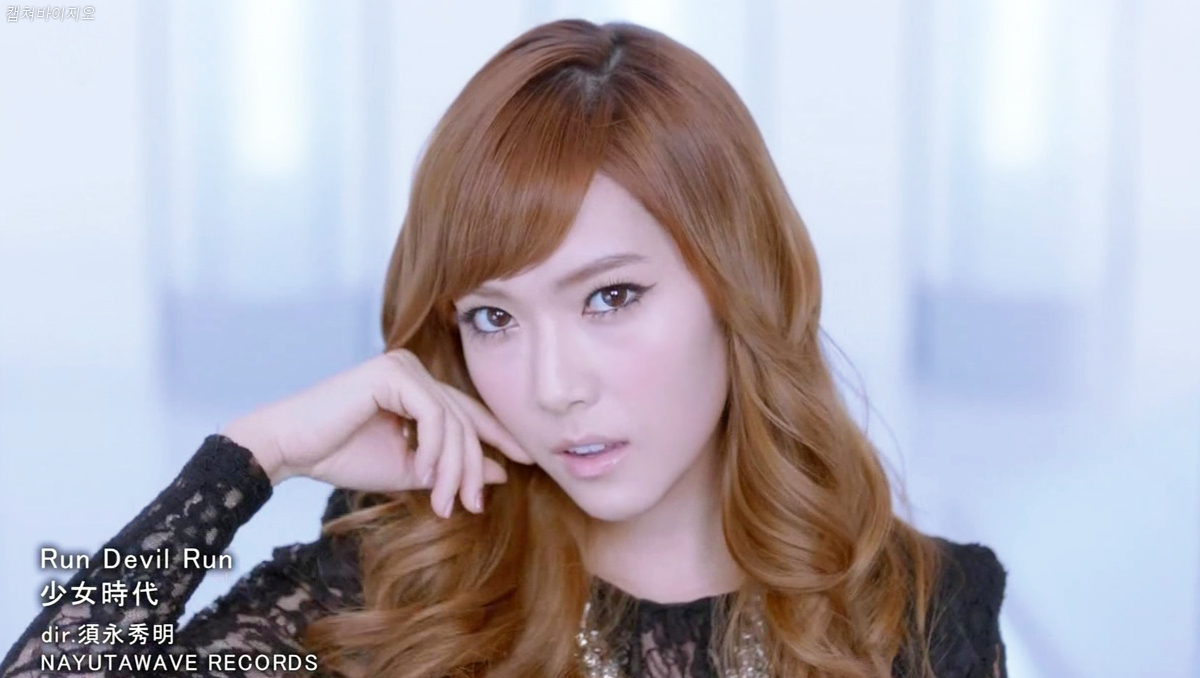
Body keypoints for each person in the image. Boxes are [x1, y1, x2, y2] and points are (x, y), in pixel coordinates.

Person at [0, 18, 1007, 678]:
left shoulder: (920, 613)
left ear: (735, 284)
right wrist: (255, 456)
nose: (553, 386)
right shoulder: (401, 582)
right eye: (493, 319)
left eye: (611, 297)